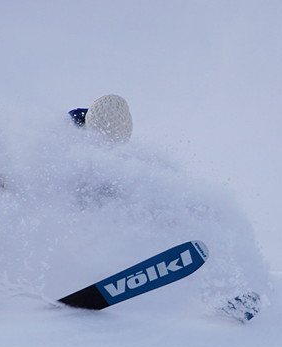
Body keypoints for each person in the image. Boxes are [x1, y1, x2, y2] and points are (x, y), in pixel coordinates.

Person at [67, 94, 264, 321]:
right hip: (73, 227)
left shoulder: (124, 160)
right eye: (104, 140)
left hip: (109, 223)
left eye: (116, 142)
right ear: (90, 128)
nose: (109, 146)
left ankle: (227, 292)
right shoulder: (65, 145)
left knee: (186, 224)